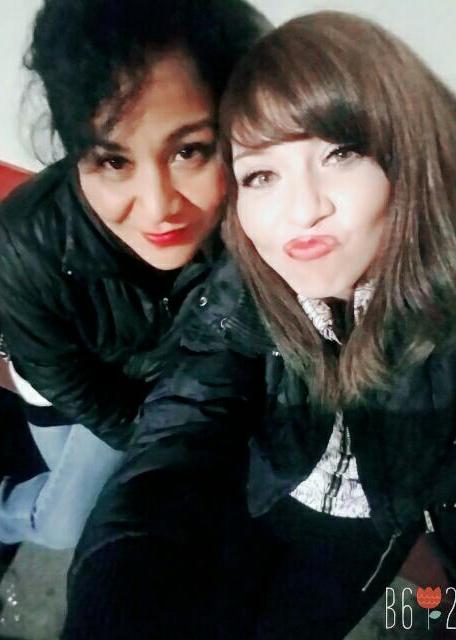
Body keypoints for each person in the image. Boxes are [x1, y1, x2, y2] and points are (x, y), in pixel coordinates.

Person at [63, 10, 456, 640]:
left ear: (407, 155)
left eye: (341, 153)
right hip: (265, 496)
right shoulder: (246, 283)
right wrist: (117, 578)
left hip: (367, 533)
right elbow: (187, 417)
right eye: (262, 175)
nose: (303, 209)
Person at [0, 0, 268, 550]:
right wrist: (161, 446)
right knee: (65, 526)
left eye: (189, 151)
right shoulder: (21, 244)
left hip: (164, 386)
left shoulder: (260, 215)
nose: (157, 207)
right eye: (114, 162)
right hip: (75, 390)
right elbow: (65, 380)